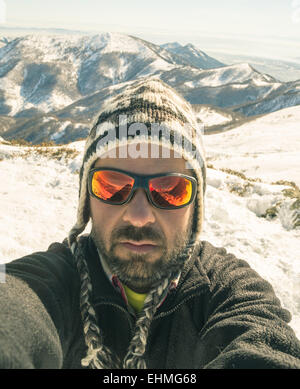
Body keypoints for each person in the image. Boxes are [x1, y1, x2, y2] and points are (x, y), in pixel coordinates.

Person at [0, 77, 300, 369]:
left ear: (196, 205)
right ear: (86, 200)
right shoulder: (50, 281)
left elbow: (263, 342)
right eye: (112, 186)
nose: (139, 216)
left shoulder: (228, 290)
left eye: (171, 190)